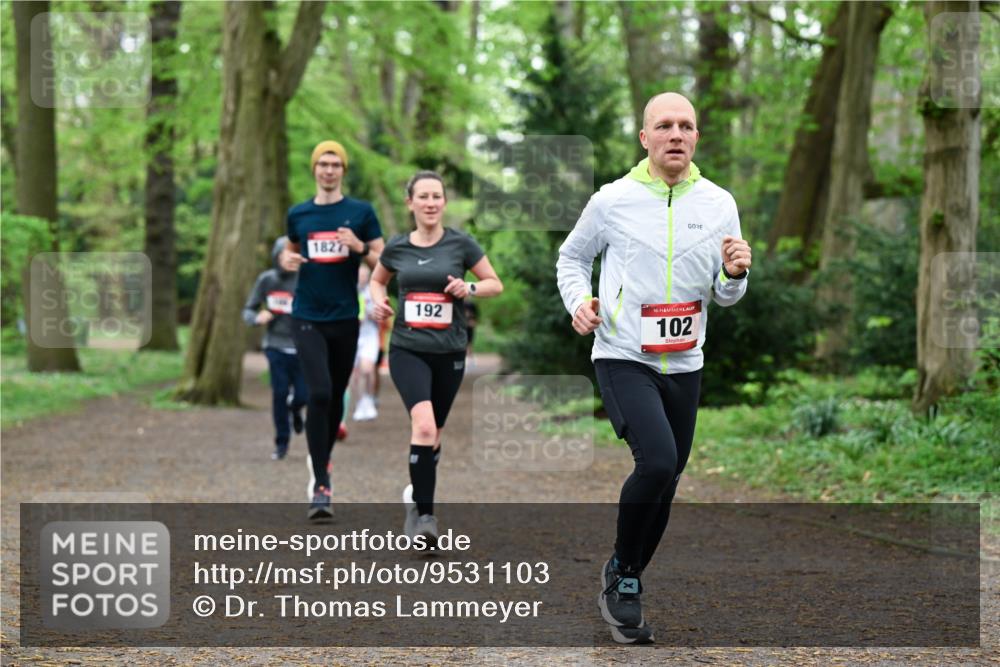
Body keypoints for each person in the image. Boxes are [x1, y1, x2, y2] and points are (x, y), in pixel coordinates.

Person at [556, 92, 752, 644]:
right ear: (645, 138)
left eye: (686, 126)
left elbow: (725, 294)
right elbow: (573, 258)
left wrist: (735, 275)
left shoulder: (719, 203)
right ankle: (623, 575)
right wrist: (580, 302)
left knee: (669, 478)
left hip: (685, 361)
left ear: (696, 138)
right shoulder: (612, 200)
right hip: (624, 356)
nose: (676, 134)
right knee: (659, 461)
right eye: (664, 125)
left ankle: (627, 574)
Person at [369, 171, 503, 546]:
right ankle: (426, 518)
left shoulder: (461, 243)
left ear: (444, 202)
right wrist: (378, 302)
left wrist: (469, 286)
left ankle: (416, 495)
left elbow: (494, 283)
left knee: (434, 434)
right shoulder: (397, 247)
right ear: (410, 203)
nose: (430, 203)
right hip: (407, 349)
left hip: (449, 352)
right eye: (423, 196)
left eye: (436, 196)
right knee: (425, 427)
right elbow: (378, 280)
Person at [281, 140, 385, 520]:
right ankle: (321, 484)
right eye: (323, 164)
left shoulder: (360, 212)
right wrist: (286, 259)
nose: (328, 170)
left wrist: (358, 246)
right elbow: (290, 249)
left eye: (335, 164)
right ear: (314, 169)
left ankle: (321, 460)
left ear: (343, 170)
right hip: (306, 314)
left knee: (336, 394)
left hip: (344, 318)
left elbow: (383, 259)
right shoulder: (299, 213)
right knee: (320, 393)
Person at [242, 236, 307, 460]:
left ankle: (296, 409)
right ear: (276, 257)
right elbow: (248, 309)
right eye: (283, 255)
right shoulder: (267, 280)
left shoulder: (305, 280)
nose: (287, 259)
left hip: (302, 346)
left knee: (303, 395)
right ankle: (282, 442)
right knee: (279, 393)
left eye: (292, 255)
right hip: (275, 345)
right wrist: (256, 317)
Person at [352, 264, 380, 421]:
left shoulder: (372, 292)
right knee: (355, 373)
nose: (361, 278)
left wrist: (370, 314)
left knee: (367, 369)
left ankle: (369, 399)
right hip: (354, 336)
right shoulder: (351, 291)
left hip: (370, 336)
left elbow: (381, 314)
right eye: (359, 275)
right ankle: (359, 403)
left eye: (364, 276)